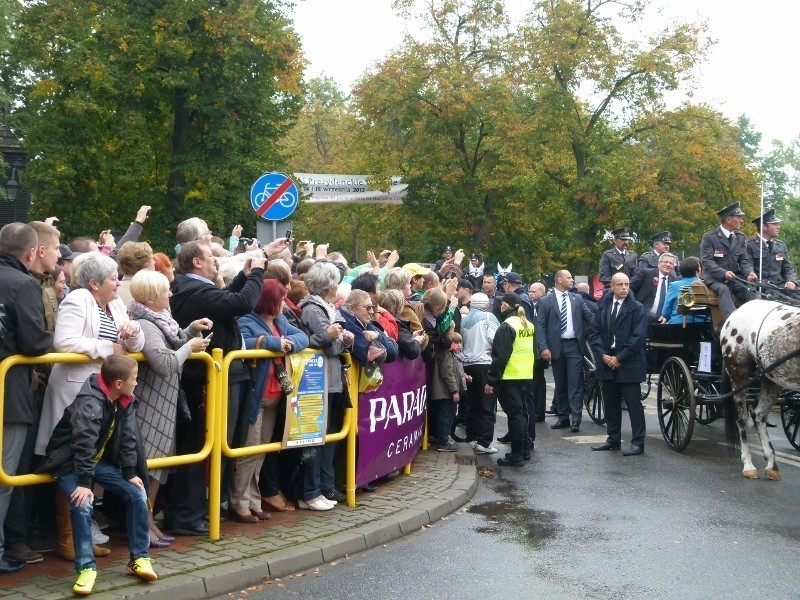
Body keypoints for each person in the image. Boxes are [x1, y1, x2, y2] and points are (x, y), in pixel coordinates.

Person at [167, 240, 265, 535]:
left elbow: (224, 300)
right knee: (198, 447)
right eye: (210, 257)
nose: (215, 261)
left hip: (210, 378)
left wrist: (244, 278)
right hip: (202, 381)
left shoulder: (194, 287)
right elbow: (240, 304)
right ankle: (188, 515)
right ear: (196, 262)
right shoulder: (193, 290)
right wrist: (258, 273)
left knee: (207, 446)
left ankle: (197, 510)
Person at [39, 356, 157, 595]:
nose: (137, 383)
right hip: (70, 463)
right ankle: (86, 569)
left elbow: (127, 439)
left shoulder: (124, 399)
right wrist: (84, 484)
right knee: (82, 504)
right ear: (118, 383)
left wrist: (129, 472)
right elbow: (83, 446)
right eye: (134, 379)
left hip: (93, 461)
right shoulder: (90, 404)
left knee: (136, 492)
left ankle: (139, 558)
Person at [127, 271, 212, 545]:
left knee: (156, 471)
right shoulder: (145, 324)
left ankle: (148, 522)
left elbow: (174, 342)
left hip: (162, 406)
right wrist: (190, 346)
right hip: (151, 408)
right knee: (148, 469)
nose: (170, 295)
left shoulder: (159, 319)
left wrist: (192, 330)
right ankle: (143, 525)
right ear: (151, 298)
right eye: (165, 291)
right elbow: (164, 363)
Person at [0, 223, 52, 576]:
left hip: (12, 384)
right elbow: (35, 343)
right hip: (10, 392)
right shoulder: (23, 284)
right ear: (31, 253)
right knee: (4, 477)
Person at [235, 280, 309, 523]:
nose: (283, 303)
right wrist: (275, 343)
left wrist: (288, 345)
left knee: (262, 452)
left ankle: (254, 501)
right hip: (256, 396)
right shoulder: (246, 320)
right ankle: (239, 501)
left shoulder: (280, 321)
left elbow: (303, 338)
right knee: (249, 452)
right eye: (280, 299)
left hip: (275, 396)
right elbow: (242, 342)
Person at [298, 262, 355, 510]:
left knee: (329, 437)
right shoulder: (312, 308)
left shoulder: (328, 307)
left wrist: (341, 339)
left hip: (331, 380)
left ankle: (323, 486)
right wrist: (339, 339)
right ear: (329, 285)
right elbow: (330, 344)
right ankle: (311, 490)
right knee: (316, 439)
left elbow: (338, 339)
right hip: (318, 382)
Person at [589, 273, 648, 456]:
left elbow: (638, 338)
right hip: (607, 359)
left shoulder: (637, 308)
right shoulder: (604, 306)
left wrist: (620, 358)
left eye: (626, 284)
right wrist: (602, 355)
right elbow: (594, 333)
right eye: (620, 285)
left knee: (633, 405)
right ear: (612, 287)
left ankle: (638, 442)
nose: (624, 288)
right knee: (610, 403)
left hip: (628, 362)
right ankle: (613, 439)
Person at [536, 270, 594, 433]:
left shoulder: (577, 298)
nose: (572, 280)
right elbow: (540, 325)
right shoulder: (546, 301)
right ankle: (563, 417)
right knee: (560, 383)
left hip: (574, 346)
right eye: (569, 277)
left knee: (575, 383)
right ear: (559, 280)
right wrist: (544, 347)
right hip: (555, 347)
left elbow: (589, 317)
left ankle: (576, 419)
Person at [486, 293, 535, 467]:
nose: (500, 305)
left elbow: (500, 357)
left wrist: (491, 380)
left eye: (502, 303)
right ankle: (524, 450)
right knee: (521, 414)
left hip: (509, 376)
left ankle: (516, 455)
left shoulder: (507, 326)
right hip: (525, 374)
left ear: (506, 305)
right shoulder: (527, 323)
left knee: (515, 415)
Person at [700, 201, 757, 319]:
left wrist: (749, 273)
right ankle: (732, 322)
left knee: (751, 288)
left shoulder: (740, 237)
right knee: (724, 290)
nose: (742, 221)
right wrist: (723, 273)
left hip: (735, 279)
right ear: (729, 219)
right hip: (715, 279)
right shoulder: (709, 237)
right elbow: (707, 261)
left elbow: (744, 260)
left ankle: (752, 319)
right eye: (739, 217)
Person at [460, 292, 500, 454]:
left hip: (468, 365)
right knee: (487, 405)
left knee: (473, 403)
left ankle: (471, 437)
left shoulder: (464, 319)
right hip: (484, 363)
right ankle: (484, 442)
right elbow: (496, 338)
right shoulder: (488, 317)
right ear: (486, 305)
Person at [747, 209, 797, 292]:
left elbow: (788, 269)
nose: (778, 227)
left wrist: (791, 281)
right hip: (759, 286)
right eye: (775, 224)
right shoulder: (750, 245)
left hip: (777, 285)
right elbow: (747, 266)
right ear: (764, 227)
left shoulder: (781, 246)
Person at [629, 252, 678, 323]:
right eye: (665, 262)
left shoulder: (674, 281)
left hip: (664, 321)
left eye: (671, 263)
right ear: (658, 264)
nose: (668, 265)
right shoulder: (646, 273)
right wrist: (634, 304)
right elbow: (629, 287)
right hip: (643, 317)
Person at [661, 257, 708, 324]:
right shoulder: (706, 286)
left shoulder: (674, 286)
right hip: (704, 326)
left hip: (679, 325)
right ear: (698, 271)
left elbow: (665, 312)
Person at [380, 289, 425, 359]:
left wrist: (411, 336)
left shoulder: (381, 319)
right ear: (399, 308)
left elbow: (401, 341)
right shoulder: (397, 324)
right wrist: (417, 341)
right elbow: (412, 351)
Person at [116, 241, 155, 306]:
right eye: (151, 259)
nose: (154, 262)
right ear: (144, 263)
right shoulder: (152, 291)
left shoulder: (112, 290)